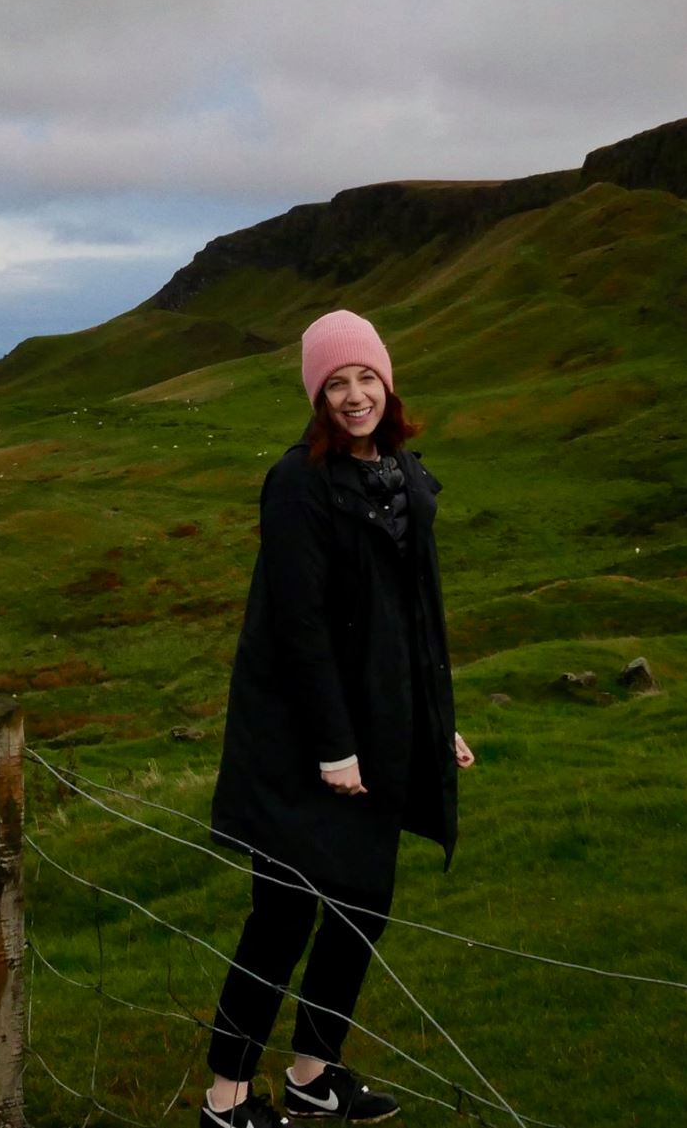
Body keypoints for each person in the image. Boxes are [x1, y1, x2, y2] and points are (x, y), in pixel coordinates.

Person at [201, 310, 474, 1128]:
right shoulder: (298, 484)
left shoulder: (402, 476)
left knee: (364, 905)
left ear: (387, 382)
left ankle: (315, 1073)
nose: (354, 395)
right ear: (316, 396)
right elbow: (300, 627)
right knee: (282, 916)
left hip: (381, 733)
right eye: (335, 383)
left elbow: (419, 614)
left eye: (365, 377)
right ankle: (226, 1098)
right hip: (300, 744)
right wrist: (332, 748)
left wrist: (435, 720)